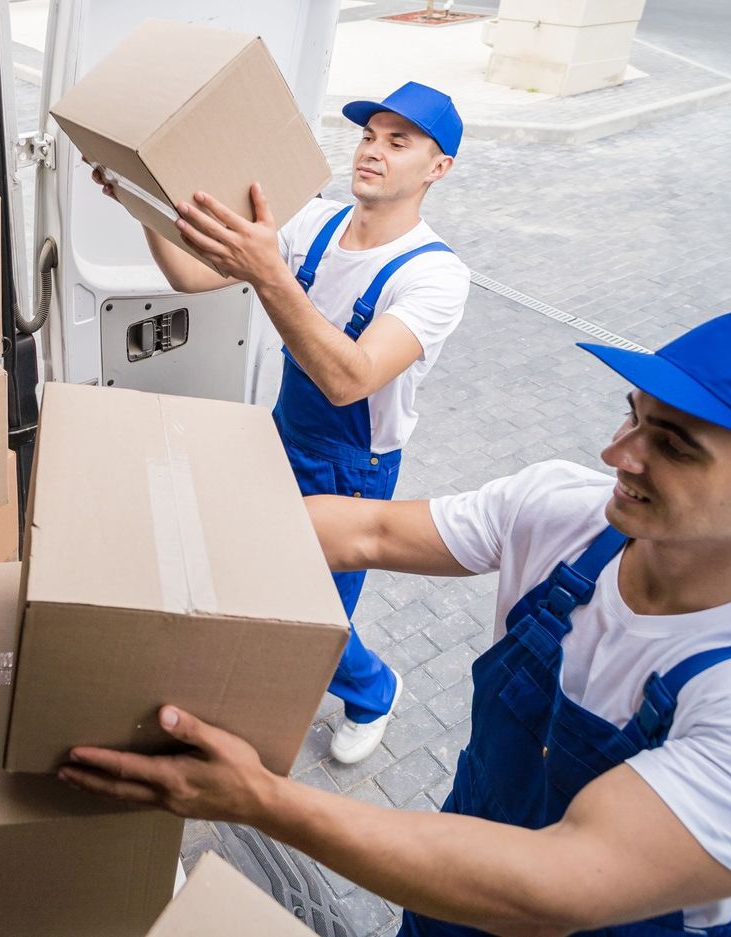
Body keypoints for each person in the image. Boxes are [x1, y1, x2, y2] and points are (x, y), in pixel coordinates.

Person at [58, 311, 731, 936]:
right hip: (447, 886)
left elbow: (558, 885)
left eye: (674, 446)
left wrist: (255, 799)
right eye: (632, 415)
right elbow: (370, 533)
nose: (619, 454)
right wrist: (150, 534)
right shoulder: (563, 512)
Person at [92, 82, 471, 764]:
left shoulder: (434, 275)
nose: (372, 151)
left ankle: (375, 689)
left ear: (437, 168)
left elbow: (349, 375)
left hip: (351, 470)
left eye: (397, 141)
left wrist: (271, 276)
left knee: (312, 619)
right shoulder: (311, 223)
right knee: (255, 580)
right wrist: (138, 204)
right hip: (282, 435)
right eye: (366, 135)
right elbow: (190, 276)